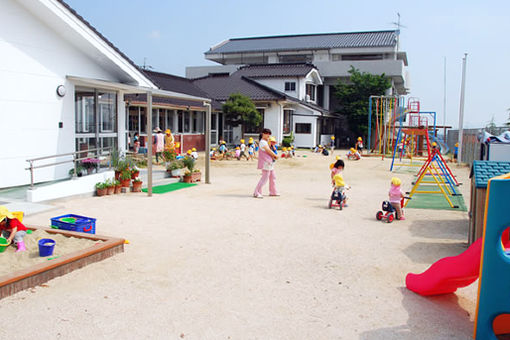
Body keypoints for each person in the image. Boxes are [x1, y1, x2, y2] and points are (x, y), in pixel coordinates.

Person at [253, 128, 279, 198]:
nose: (268, 135)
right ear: (263, 134)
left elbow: (270, 148)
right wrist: (275, 155)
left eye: (269, 134)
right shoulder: (262, 142)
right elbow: (268, 150)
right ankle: (257, 192)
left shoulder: (266, 141)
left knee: (273, 177)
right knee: (264, 178)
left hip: (269, 162)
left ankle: (273, 192)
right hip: (265, 162)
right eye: (267, 133)